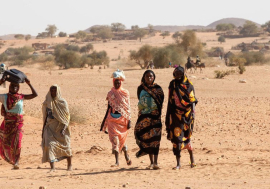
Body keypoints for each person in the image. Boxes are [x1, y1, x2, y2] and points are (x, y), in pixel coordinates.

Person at [0, 76, 38, 169]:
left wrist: (29, 83)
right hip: (8, 123)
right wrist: (1, 82)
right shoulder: (4, 97)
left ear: (19, 88)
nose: (14, 88)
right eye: (12, 86)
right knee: (6, 143)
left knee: (18, 142)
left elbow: (35, 94)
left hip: (18, 123)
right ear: (9, 87)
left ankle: (16, 162)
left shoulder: (21, 97)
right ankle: (11, 160)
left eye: (16, 86)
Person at [165, 66, 198, 170]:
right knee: (177, 138)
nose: (178, 76)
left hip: (187, 116)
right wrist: (169, 114)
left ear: (183, 73)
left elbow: (192, 100)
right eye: (176, 74)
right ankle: (178, 163)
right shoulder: (173, 84)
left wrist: (192, 112)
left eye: (180, 74)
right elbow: (170, 100)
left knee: (187, 137)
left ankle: (192, 159)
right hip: (175, 115)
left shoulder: (189, 85)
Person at [100, 70, 132, 167]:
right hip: (112, 120)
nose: (117, 84)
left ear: (121, 82)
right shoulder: (110, 93)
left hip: (122, 120)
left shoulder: (125, 93)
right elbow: (108, 108)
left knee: (122, 141)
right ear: (113, 82)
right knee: (115, 141)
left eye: (119, 82)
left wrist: (129, 120)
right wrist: (104, 124)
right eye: (115, 82)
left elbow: (128, 108)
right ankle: (117, 162)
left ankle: (126, 155)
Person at [134, 70, 164, 170]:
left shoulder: (158, 89)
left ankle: (156, 162)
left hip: (155, 118)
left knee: (155, 140)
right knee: (147, 139)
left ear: (154, 77)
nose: (149, 78)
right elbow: (140, 99)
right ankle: (151, 163)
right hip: (144, 117)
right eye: (147, 76)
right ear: (144, 77)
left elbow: (161, 101)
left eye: (151, 76)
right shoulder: (140, 88)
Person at [42, 84, 72, 172]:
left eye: (55, 90)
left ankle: (69, 165)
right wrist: (43, 130)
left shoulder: (63, 102)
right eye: (51, 90)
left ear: (58, 91)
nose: (53, 92)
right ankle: (52, 167)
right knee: (49, 145)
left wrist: (63, 129)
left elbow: (67, 117)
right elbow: (45, 116)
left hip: (61, 127)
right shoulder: (47, 102)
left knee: (66, 146)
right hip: (50, 127)